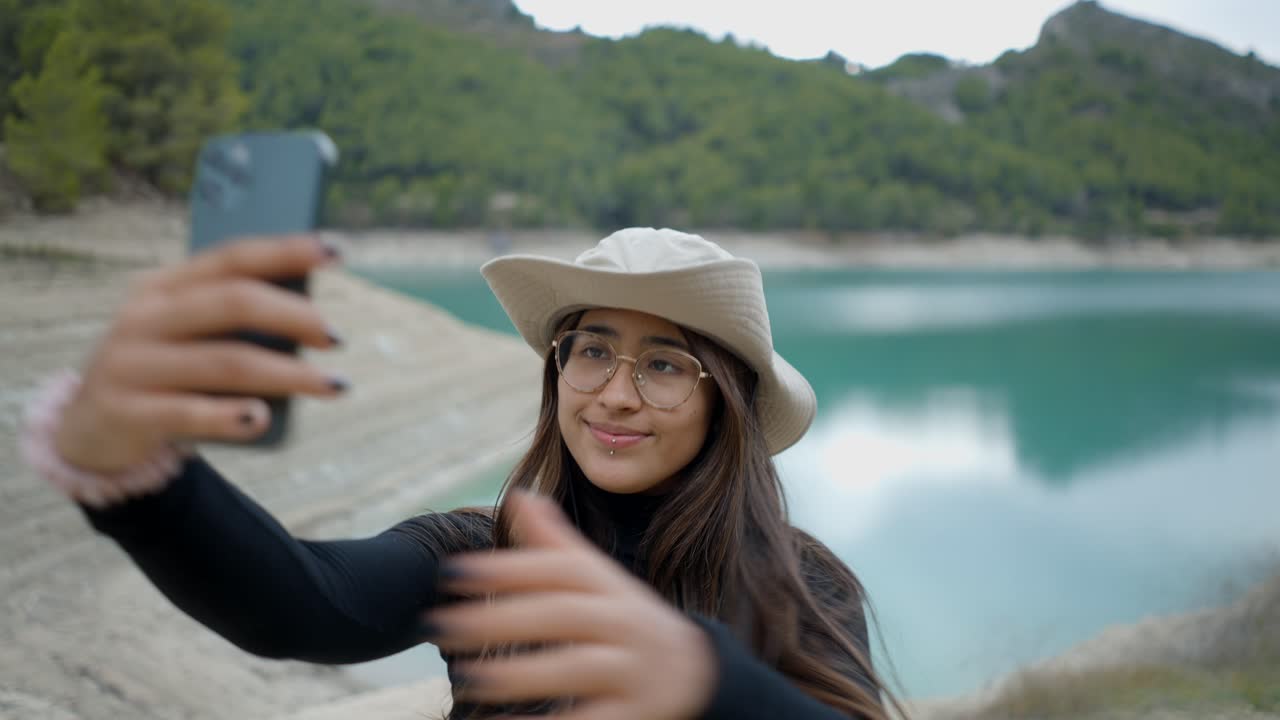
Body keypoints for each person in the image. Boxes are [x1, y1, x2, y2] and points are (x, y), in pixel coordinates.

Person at [22, 228, 903, 720]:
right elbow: (300, 600)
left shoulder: (802, 584)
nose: (615, 395)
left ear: (727, 406)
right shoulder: (483, 557)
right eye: (591, 351)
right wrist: (140, 475)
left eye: (665, 365)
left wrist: (710, 682)